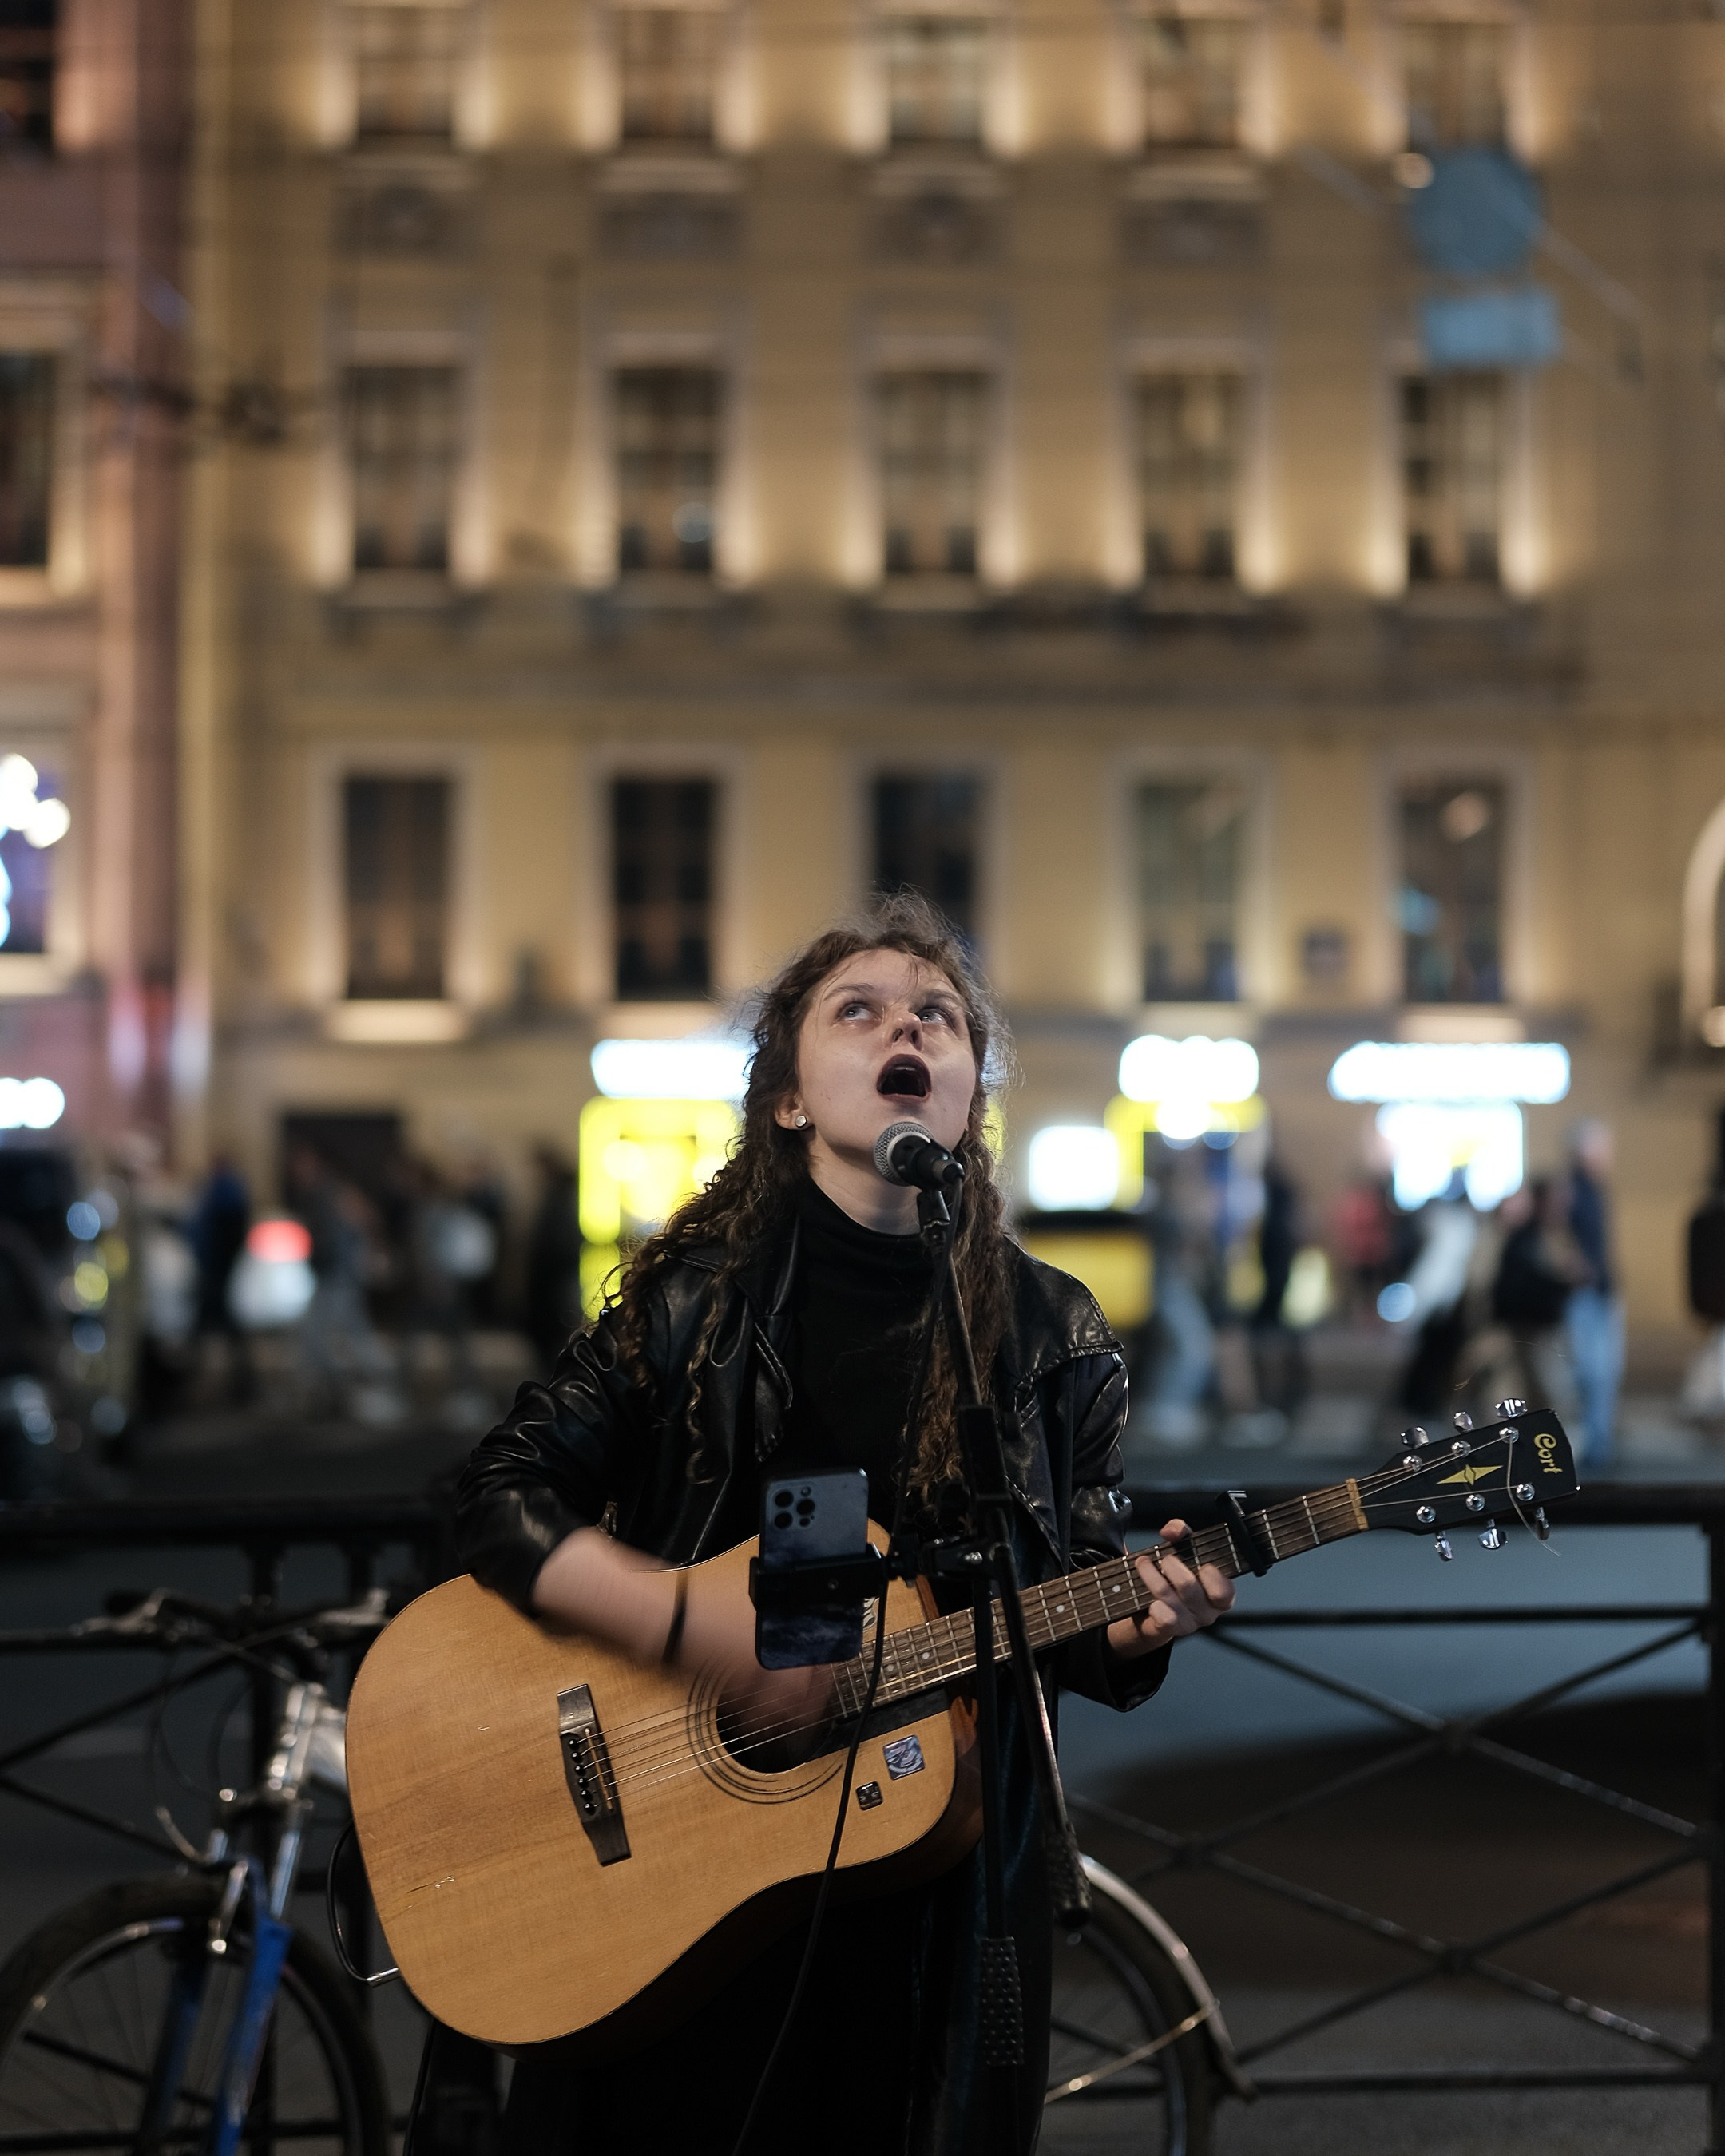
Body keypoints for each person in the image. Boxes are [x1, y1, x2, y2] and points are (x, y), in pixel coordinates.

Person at [454, 895, 1235, 2156]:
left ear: (968, 1093)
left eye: (936, 1014)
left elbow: (1077, 1610)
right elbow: (494, 1494)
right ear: (790, 1100)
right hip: (684, 1884)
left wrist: (1146, 1622)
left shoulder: (1052, 1336)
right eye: (857, 1010)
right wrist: (680, 1621)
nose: (904, 1028)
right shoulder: (695, 1304)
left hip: (949, 1891)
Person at [1565, 1119, 1624, 1465]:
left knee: (1605, 1372)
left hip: (1602, 1292)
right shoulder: (1571, 1189)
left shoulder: (1595, 1188)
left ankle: (1599, 1443)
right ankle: (1593, 1446)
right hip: (1586, 1295)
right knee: (1592, 1371)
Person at [522, 1143, 582, 1372]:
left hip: (555, 1278)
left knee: (557, 1331)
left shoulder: (559, 1198)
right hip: (555, 1277)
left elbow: (558, 1243)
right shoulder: (559, 1196)